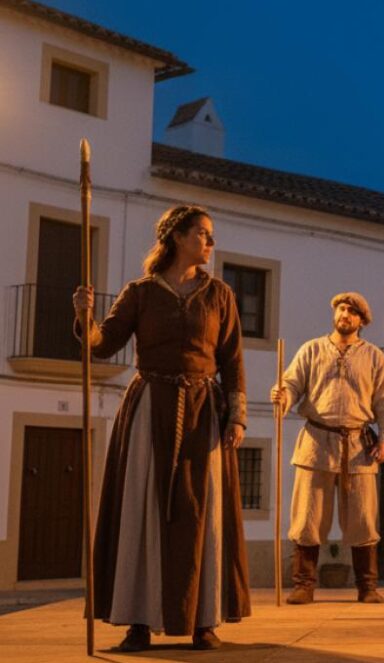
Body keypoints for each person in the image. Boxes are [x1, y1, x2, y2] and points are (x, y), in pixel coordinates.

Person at [72, 205, 250, 651]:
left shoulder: (219, 295)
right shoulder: (141, 293)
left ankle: (202, 619)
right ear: (177, 237)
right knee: (142, 509)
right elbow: (102, 344)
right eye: (203, 234)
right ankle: (137, 620)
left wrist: (238, 415)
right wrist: (85, 317)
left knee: (200, 512)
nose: (210, 243)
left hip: (203, 410)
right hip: (149, 403)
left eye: (211, 235)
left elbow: (232, 360)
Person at [271, 292, 384, 604]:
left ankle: (367, 587)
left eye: (352, 312)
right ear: (335, 313)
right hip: (316, 442)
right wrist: (282, 394)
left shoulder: (373, 357)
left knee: (363, 518)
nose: (346, 315)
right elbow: (291, 383)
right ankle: (303, 585)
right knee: (307, 516)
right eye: (342, 309)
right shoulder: (311, 350)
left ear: (361, 321)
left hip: (357, 445)